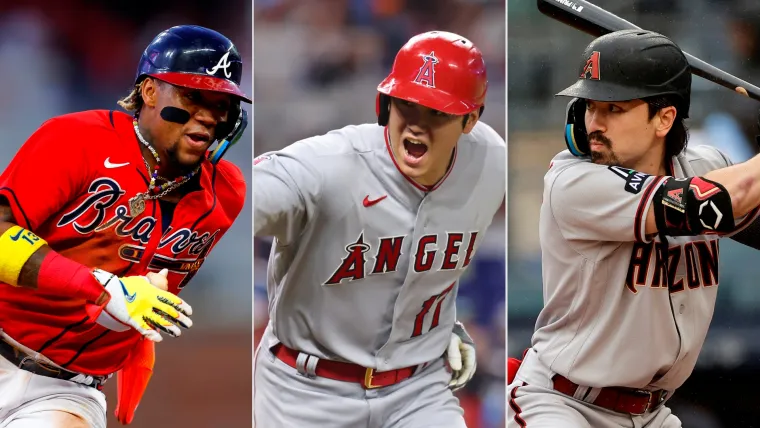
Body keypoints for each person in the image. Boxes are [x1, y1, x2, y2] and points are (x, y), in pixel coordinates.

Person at [0, 25, 250, 428]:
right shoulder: (75, 138)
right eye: (193, 95)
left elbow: (149, 289)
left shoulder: (226, 193)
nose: (208, 114)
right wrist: (100, 288)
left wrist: (134, 346)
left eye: (222, 103)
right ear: (150, 92)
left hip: (66, 389)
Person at [508, 29, 760, 428]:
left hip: (651, 414)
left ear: (664, 118)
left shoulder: (705, 164)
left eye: (615, 108)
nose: (595, 122)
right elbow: (702, 203)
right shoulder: (574, 181)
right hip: (563, 405)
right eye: (591, 106)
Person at [253, 31, 505, 427]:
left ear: (471, 119)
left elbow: (428, 266)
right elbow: (245, 196)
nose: (417, 126)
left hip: (417, 391)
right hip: (306, 393)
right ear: (385, 103)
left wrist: (441, 327)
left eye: (437, 112)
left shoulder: (491, 164)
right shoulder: (327, 168)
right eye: (408, 105)